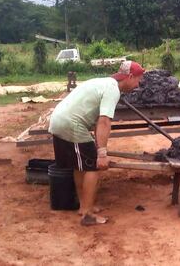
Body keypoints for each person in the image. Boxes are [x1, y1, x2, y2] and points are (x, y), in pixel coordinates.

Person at [48, 60, 144, 226]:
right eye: (138, 80)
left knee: (80, 165)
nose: (138, 85)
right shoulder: (113, 90)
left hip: (59, 120)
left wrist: (97, 145)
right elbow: (104, 121)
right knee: (93, 166)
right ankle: (87, 213)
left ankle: (84, 205)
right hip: (71, 124)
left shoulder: (103, 82)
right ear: (129, 76)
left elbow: (95, 121)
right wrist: (102, 154)